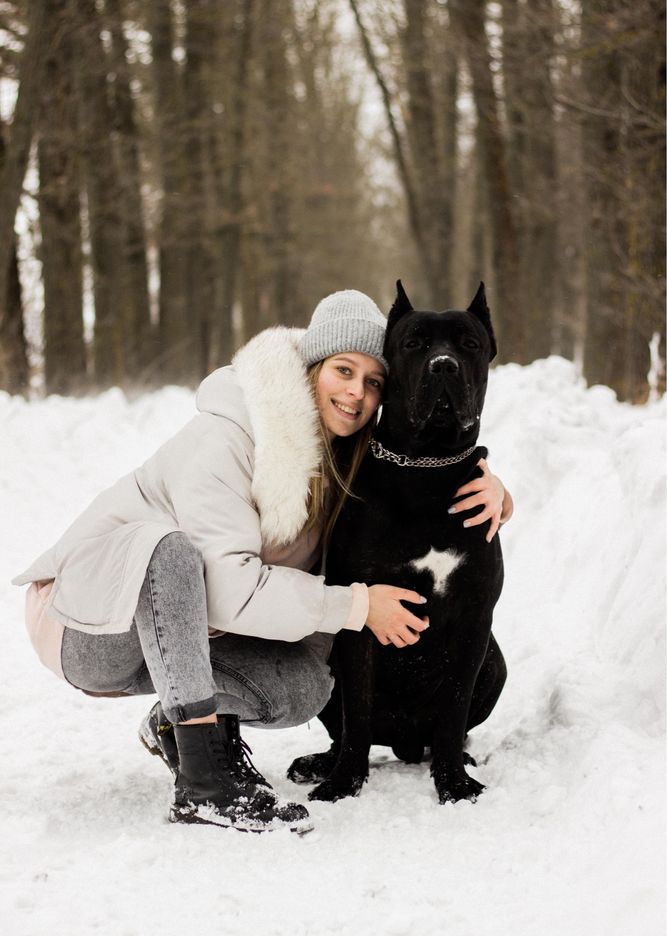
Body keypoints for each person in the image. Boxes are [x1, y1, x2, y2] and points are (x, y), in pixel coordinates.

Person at [13, 290, 513, 834]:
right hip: (88, 626)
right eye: (343, 370)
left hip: (184, 636)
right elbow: (229, 587)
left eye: (373, 382)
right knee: (170, 553)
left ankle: (175, 726)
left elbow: (413, 473)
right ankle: (205, 786)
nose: (356, 392)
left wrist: (491, 486)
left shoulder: (342, 454)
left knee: (304, 683)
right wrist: (357, 605)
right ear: (312, 367)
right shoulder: (228, 435)